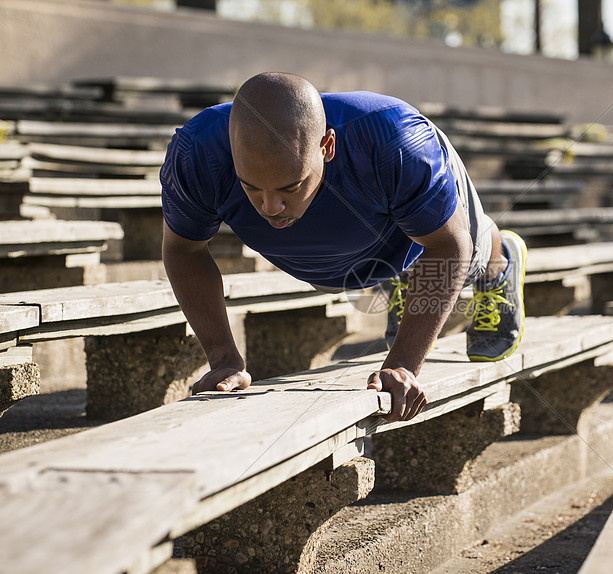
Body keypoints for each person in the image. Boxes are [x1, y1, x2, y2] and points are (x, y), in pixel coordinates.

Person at [160, 72, 527, 422]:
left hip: (410, 230)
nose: (270, 207)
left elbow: (450, 245)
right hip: (353, 249)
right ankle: (406, 277)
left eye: (290, 187)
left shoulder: (396, 141)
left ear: (327, 146)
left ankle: (501, 263)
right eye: (251, 186)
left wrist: (403, 363)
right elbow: (184, 250)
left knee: (472, 251)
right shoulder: (196, 153)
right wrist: (224, 359)